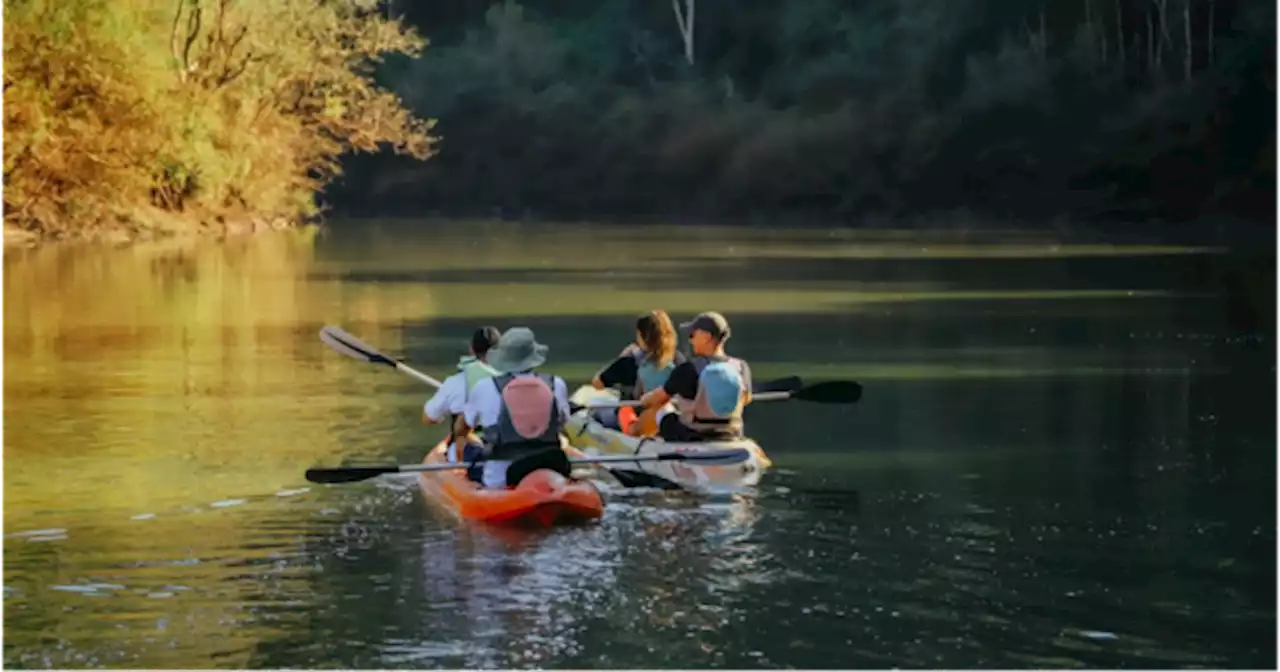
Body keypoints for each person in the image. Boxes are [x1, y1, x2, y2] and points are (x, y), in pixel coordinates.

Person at [461, 327, 574, 489]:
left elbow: (466, 425)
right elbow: (562, 423)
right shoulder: (556, 384)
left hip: (501, 479)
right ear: (533, 356)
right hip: (552, 470)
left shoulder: (483, 387)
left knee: (473, 454)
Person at [636, 311, 753, 443]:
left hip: (693, 434)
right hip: (731, 432)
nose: (690, 341)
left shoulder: (688, 369)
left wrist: (645, 400)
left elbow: (659, 398)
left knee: (663, 410)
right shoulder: (741, 367)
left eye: (693, 335)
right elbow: (746, 399)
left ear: (707, 337)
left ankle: (640, 440)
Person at [422, 326, 502, 481]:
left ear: (471, 350)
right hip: (506, 446)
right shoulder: (514, 378)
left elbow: (428, 418)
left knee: (460, 440)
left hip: (468, 449)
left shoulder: (455, 382)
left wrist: (439, 418)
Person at [590, 309, 686, 436]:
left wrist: (621, 358)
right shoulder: (678, 360)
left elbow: (597, 384)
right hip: (669, 412)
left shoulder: (629, 361)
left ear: (641, 336)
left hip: (636, 417)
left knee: (598, 408)